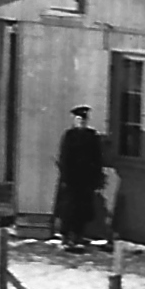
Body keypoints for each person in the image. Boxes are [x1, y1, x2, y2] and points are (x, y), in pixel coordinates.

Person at [53, 104, 108, 251]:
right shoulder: (69, 136)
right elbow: (64, 157)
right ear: (74, 121)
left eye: (83, 120)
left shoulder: (92, 136)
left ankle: (78, 235)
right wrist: (65, 177)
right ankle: (65, 236)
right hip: (71, 179)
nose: (81, 122)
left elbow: (97, 158)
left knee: (83, 209)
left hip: (86, 179)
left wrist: (97, 177)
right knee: (68, 209)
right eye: (79, 119)